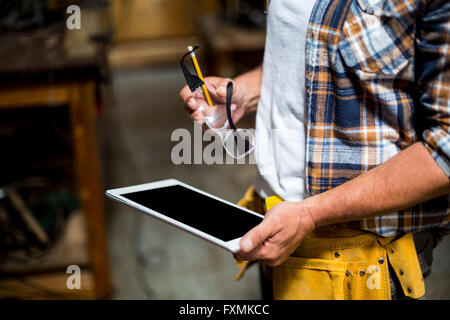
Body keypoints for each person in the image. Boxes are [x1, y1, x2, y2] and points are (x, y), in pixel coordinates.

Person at [179, 0, 449, 300]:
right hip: (273, 219)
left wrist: (309, 214)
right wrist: (245, 91)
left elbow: (444, 151)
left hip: (361, 261)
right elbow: (303, 47)